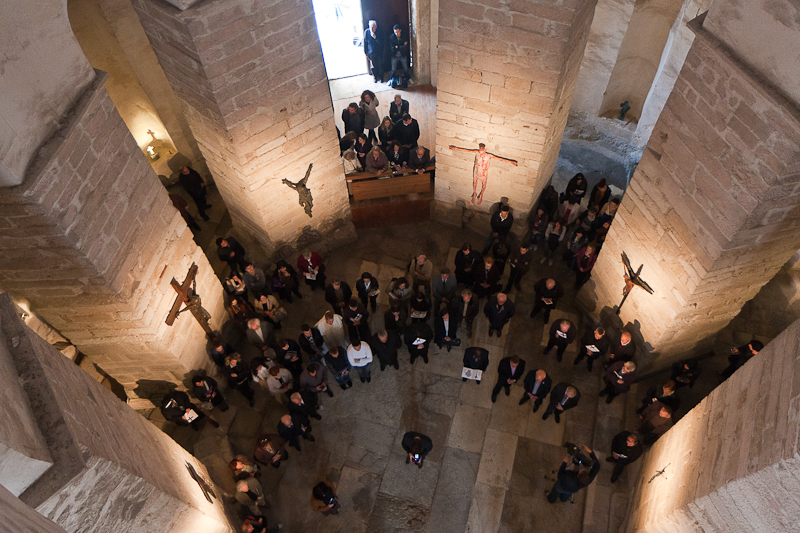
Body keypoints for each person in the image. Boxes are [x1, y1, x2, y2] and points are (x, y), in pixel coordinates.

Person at [450, 143, 519, 205]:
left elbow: (500, 159)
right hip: (476, 171)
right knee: (475, 183)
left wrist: (511, 162)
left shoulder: (489, 156)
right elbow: (466, 150)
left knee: (484, 185)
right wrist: (456, 148)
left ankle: (481, 194)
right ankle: (475, 193)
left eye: (483, 151)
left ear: (485, 150)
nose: (481, 153)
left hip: (483, 173)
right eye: (480, 151)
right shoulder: (477, 153)